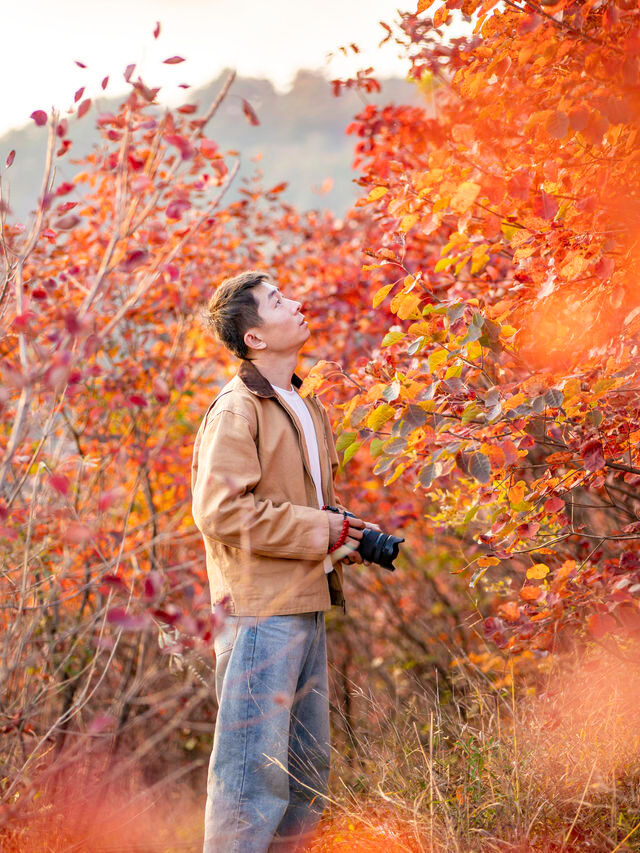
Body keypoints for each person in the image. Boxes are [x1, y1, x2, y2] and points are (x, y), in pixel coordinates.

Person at [191, 270, 379, 853]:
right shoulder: (236, 410)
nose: (295, 303)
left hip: (302, 603)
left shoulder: (303, 402)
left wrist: (354, 534)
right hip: (256, 614)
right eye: (277, 301)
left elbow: (300, 507)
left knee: (302, 781)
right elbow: (220, 512)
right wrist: (323, 529)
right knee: (250, 786)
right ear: (254, 337)